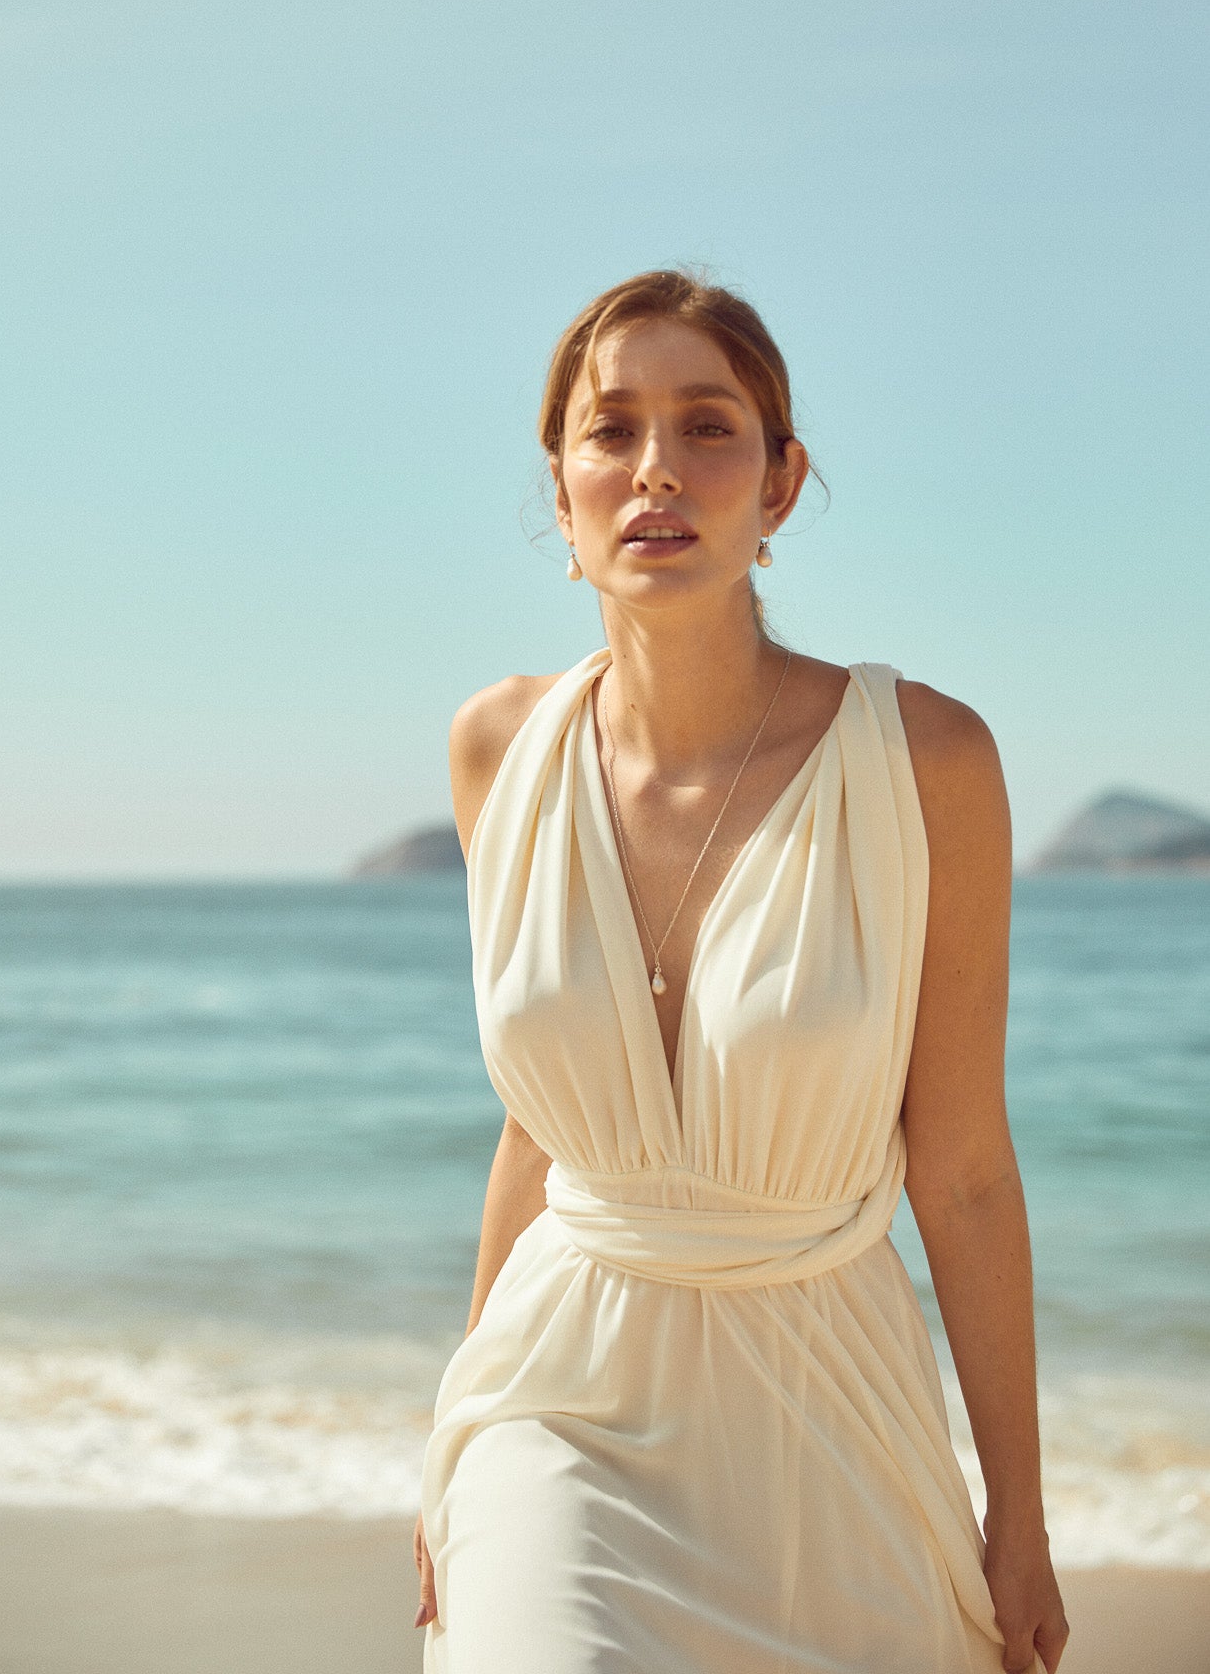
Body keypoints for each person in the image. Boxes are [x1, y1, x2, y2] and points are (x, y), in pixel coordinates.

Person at [412, 268, 1068, 1673]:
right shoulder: (496, 751)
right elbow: (540, 1129)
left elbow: (958, 1171)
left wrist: (1018, 1516)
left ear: (779, 487)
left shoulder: (925, 762)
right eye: (612, 431)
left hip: (828, 1413)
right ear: (562, 488)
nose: (655, 469)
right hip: (558, 1401)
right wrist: (453, 1432)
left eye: (707, 428)